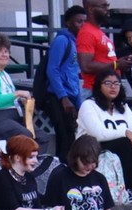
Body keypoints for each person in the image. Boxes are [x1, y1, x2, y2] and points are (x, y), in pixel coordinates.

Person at [76, 69, 132, 199]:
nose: (113, 87)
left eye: (116, 83)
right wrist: (125, 132)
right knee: (124, 143)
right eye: (108, 83)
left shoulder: (122, 107)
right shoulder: (88, 105)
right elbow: (98, 133)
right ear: (98, 86)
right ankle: (128, 189)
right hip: (90, 147)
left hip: (117, 144)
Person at [40, 6, 88, 161]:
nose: (82, 25)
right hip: (57, 96)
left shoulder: (78, 43)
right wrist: (63, 97)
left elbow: (74, 76)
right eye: (78, 21)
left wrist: (78, 103)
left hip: (72, 96)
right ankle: (61, 171)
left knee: (72, 136)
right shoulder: (62, 40)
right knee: (64, 135)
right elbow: (52, 70)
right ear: (68, 22)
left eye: (84, 22)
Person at [78, 0, 132, 99]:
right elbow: (86, 66)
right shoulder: (87, 33)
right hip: (95, 92)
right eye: (103, 6)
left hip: (106, 91)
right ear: (91, 9)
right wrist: (116, 64)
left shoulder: (97, 31)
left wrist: (122, 62)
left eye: (107, 5)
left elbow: (105, 60)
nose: (107, 9)